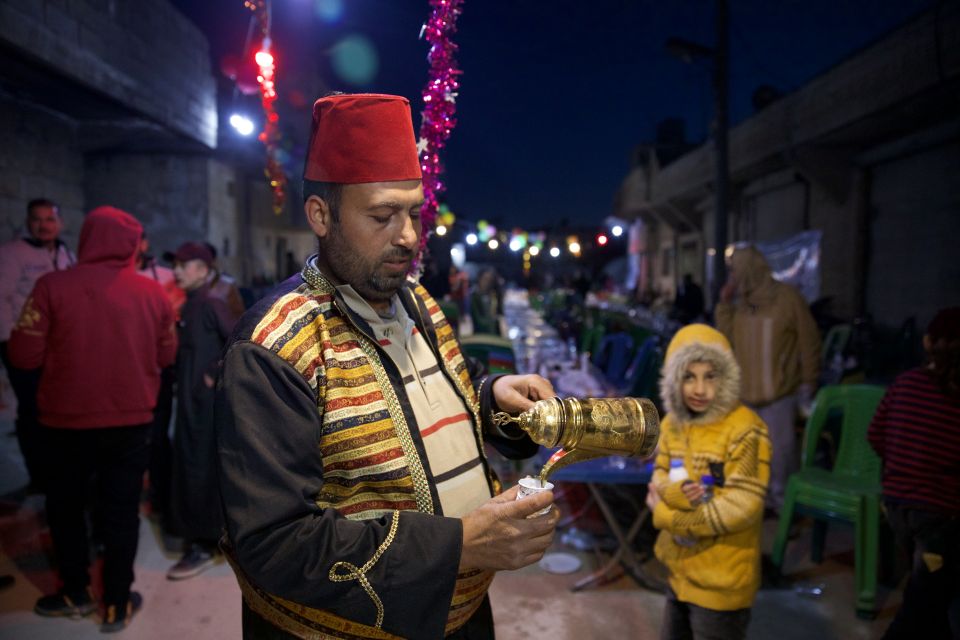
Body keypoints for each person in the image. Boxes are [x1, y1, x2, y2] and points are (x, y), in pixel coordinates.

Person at [216, 93, 559, 639]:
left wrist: (493, 398)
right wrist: (459, 545)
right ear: (321, 215)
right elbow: (276, 543)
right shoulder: (274, 348)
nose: (408, 236)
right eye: (382, 216)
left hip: (462, 618)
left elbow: (440, 399)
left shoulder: (417, 302)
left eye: (414, 213)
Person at [8, 206, 176, 632]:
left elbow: (22, 355)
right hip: (131, 423)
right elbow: (167, 355)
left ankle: (75, 592)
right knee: (121, 511)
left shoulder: (51, 286)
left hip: (63, 422)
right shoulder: (153, 293)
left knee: (65, 508)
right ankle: (117, 602)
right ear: (131, 244)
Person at [646, 323, 771, 640]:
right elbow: (660, 472)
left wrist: (669, 516)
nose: (699, 389)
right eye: (688, 376)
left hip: (721, 582)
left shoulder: (746, 430)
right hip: (679, 572)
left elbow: (741, 506)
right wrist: (675, 493)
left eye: (710, 376)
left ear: (726, 378)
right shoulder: (672, 424)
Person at [867, 307, 960, 640]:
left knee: (930, 593)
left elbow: (875, 434)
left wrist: (902, 463)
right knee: (923, 602)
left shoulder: (905, 383)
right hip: (939, 516)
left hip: (896, 506)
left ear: (927, 342)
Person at [714, 246, 820, 514]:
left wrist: (809, 379)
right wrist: (724, 304)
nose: (733, 278)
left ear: (749, 270)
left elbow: (809, 340)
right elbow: (727, 339)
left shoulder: (787, 299)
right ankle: (758, 508)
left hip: (779, 396)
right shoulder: (743, 305)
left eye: (736, 271)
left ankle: (786, 513)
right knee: (751, 457)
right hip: (747, 397)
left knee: (781, 457)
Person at [166, 242, 241, 579]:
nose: (177, 272)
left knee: (200, 468)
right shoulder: (194, 302)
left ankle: (204, 543)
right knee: (191, 465)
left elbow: (240, 339)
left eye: (184, 265)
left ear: (203, 269)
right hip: (190, 403)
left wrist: (212, 372)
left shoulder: (211, 303)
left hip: (204, 407)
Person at [0, 198, 76, 492]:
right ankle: (39, 478)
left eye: (50, 219)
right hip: (25, 348)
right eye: (37, 219)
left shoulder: (66, 254)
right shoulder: (12, 254)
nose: (44, 226)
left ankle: (58, 474)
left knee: (58, 410)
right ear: (28, 222)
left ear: (60, 223)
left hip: (59, 349)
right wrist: (9, 344)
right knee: (32, 411)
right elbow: (2, 299)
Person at [137, 232, 185, 522]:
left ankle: (159, 494)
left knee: (157, 435)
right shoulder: (117, 278)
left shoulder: (165, 277)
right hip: (130, 367)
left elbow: (177, 311)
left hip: (160, 367)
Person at [470, 267, 502, 335]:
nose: (487, 283)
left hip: (493, 333)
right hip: (480, 333)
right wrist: (493, 322)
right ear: (479, 279)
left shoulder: (493, 296)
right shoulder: (475, 296)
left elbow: (498, 312)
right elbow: (477, 320)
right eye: (485, 279)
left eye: (490, 280)